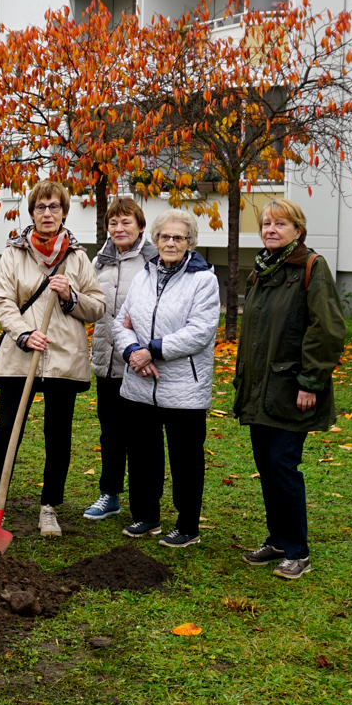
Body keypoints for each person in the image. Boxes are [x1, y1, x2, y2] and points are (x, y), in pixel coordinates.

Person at [0, 180, 105, 536]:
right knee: (8, 430)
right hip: (20, 355)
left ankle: (49, 507)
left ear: (64, 212)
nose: (47, 213)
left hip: (64, 358)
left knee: (58, 434)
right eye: (40, 207)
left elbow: (97, 306)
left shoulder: (77, 257)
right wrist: (23, 334)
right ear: (31, 212)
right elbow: (3, 300)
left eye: (54, 207)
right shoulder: (14, 253)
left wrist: (70, 296)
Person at [232, 198, 346, 580]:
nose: (271, 229)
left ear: (298, 230)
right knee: (267, 468)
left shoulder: (311, 267)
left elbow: (326, 329)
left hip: (292, 390)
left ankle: (298, 552)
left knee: (283, 467)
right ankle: (278, 541)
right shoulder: (262, 271)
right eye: (266, 223)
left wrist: (311, 382)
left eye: (280, 224)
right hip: (260, 390)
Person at [110, 209, 220, 544]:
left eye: (178, 237)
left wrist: (152, 350)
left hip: (184, 387)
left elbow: (200, 332)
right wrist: (133, 353)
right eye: (164, 237)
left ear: (190, 242)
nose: (170, 243)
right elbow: (121, 322)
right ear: (155, 240)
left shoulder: (204, 280)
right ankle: (146, 517)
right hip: (139, 383)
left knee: (186, 460)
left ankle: (187, 527)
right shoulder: (143, 275)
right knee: (142, 455)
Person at [82, 197, 159, 522]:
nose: (119, 228)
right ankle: (109, 494)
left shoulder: (153, 260)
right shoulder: (99, 261)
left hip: (141, 363)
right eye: (113, 223)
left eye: (126, 222)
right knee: (111, 434)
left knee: (143, 438)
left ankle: (146, 505)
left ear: (140, 226)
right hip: (107, 361)